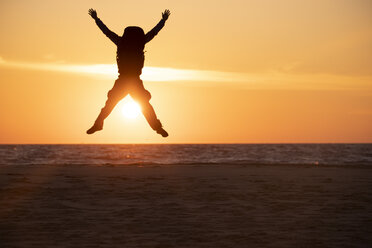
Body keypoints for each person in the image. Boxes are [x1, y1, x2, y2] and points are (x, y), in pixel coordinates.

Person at [86, 8, 170, 137]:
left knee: (116, 104)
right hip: (127, 80)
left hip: (130, 81)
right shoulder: (135, 42)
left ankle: (98, 124)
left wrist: (97, 19)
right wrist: (163, 21)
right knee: (140, 105)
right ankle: (98, 124)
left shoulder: (125, 42)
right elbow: (154, 32)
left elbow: (107, 32)